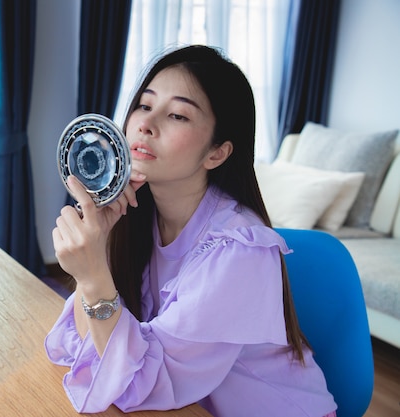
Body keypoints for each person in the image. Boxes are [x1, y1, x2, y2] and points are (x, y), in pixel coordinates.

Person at [45, 45, 337, 417]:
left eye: (178, 115)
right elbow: (91, 352)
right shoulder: (139, 216)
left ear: (216, 153)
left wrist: (93, 276)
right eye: (145, 106)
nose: (146, 124)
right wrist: (96, 258)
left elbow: (138, 386)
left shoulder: (238, 251)